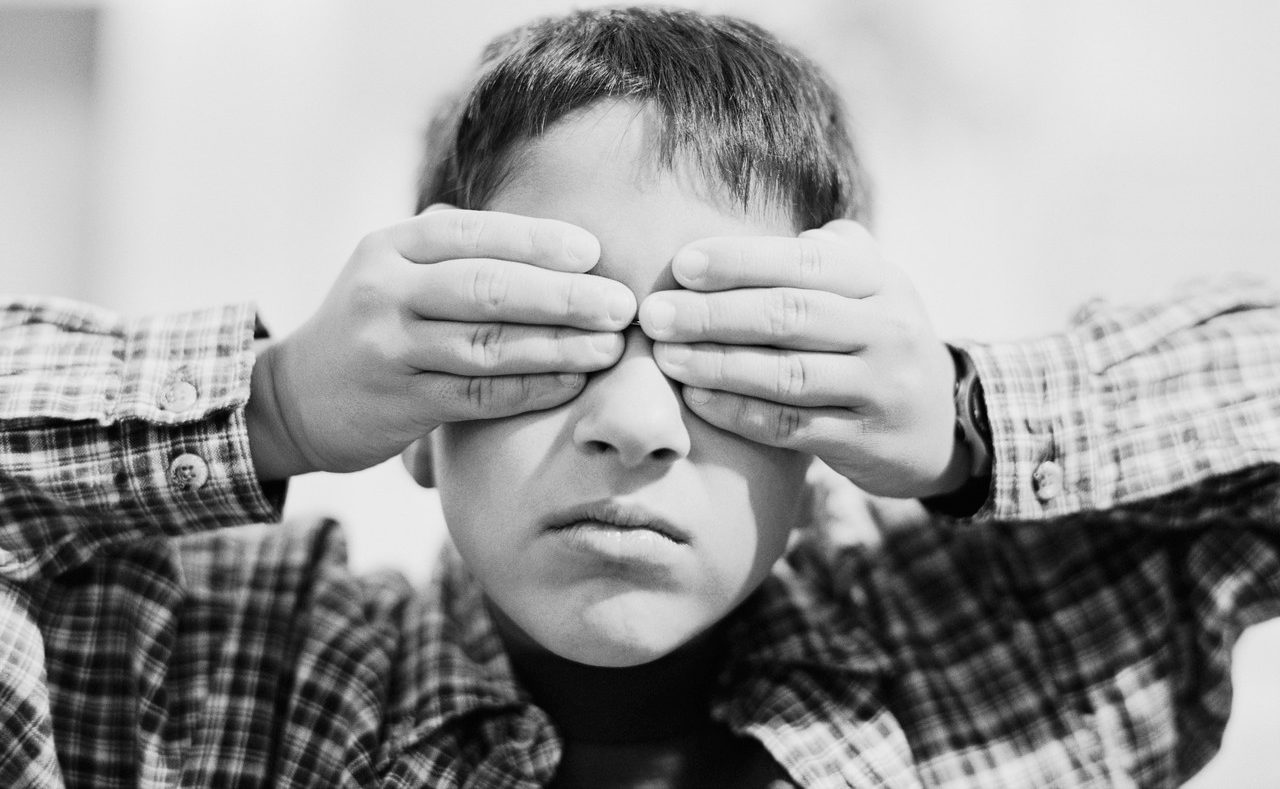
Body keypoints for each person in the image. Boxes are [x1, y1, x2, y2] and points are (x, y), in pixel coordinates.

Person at [2, 7, 1278, 788]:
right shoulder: (219, 678)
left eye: (729, 351)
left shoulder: (1008, 664)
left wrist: (970, 420)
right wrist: (269, 402)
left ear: (832, 416)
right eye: (534, 336)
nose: (636, 420)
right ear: (411, 420)